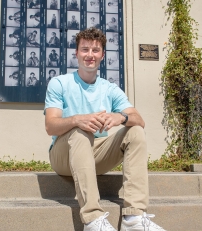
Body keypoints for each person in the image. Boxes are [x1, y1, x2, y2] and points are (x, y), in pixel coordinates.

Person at [44, 27, 166, 231]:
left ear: (102, 55)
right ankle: (93, 219)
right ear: (76, 53)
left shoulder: (110, 89)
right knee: (80, 131)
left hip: (96, 153)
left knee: (135, 130)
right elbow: (50, 126)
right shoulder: (59, 83)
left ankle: (133, 219)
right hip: (63, 154)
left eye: (95, 50)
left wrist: (120, 117)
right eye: (84, 50)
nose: (89, 55)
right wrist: (76, 120)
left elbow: (139, 120)